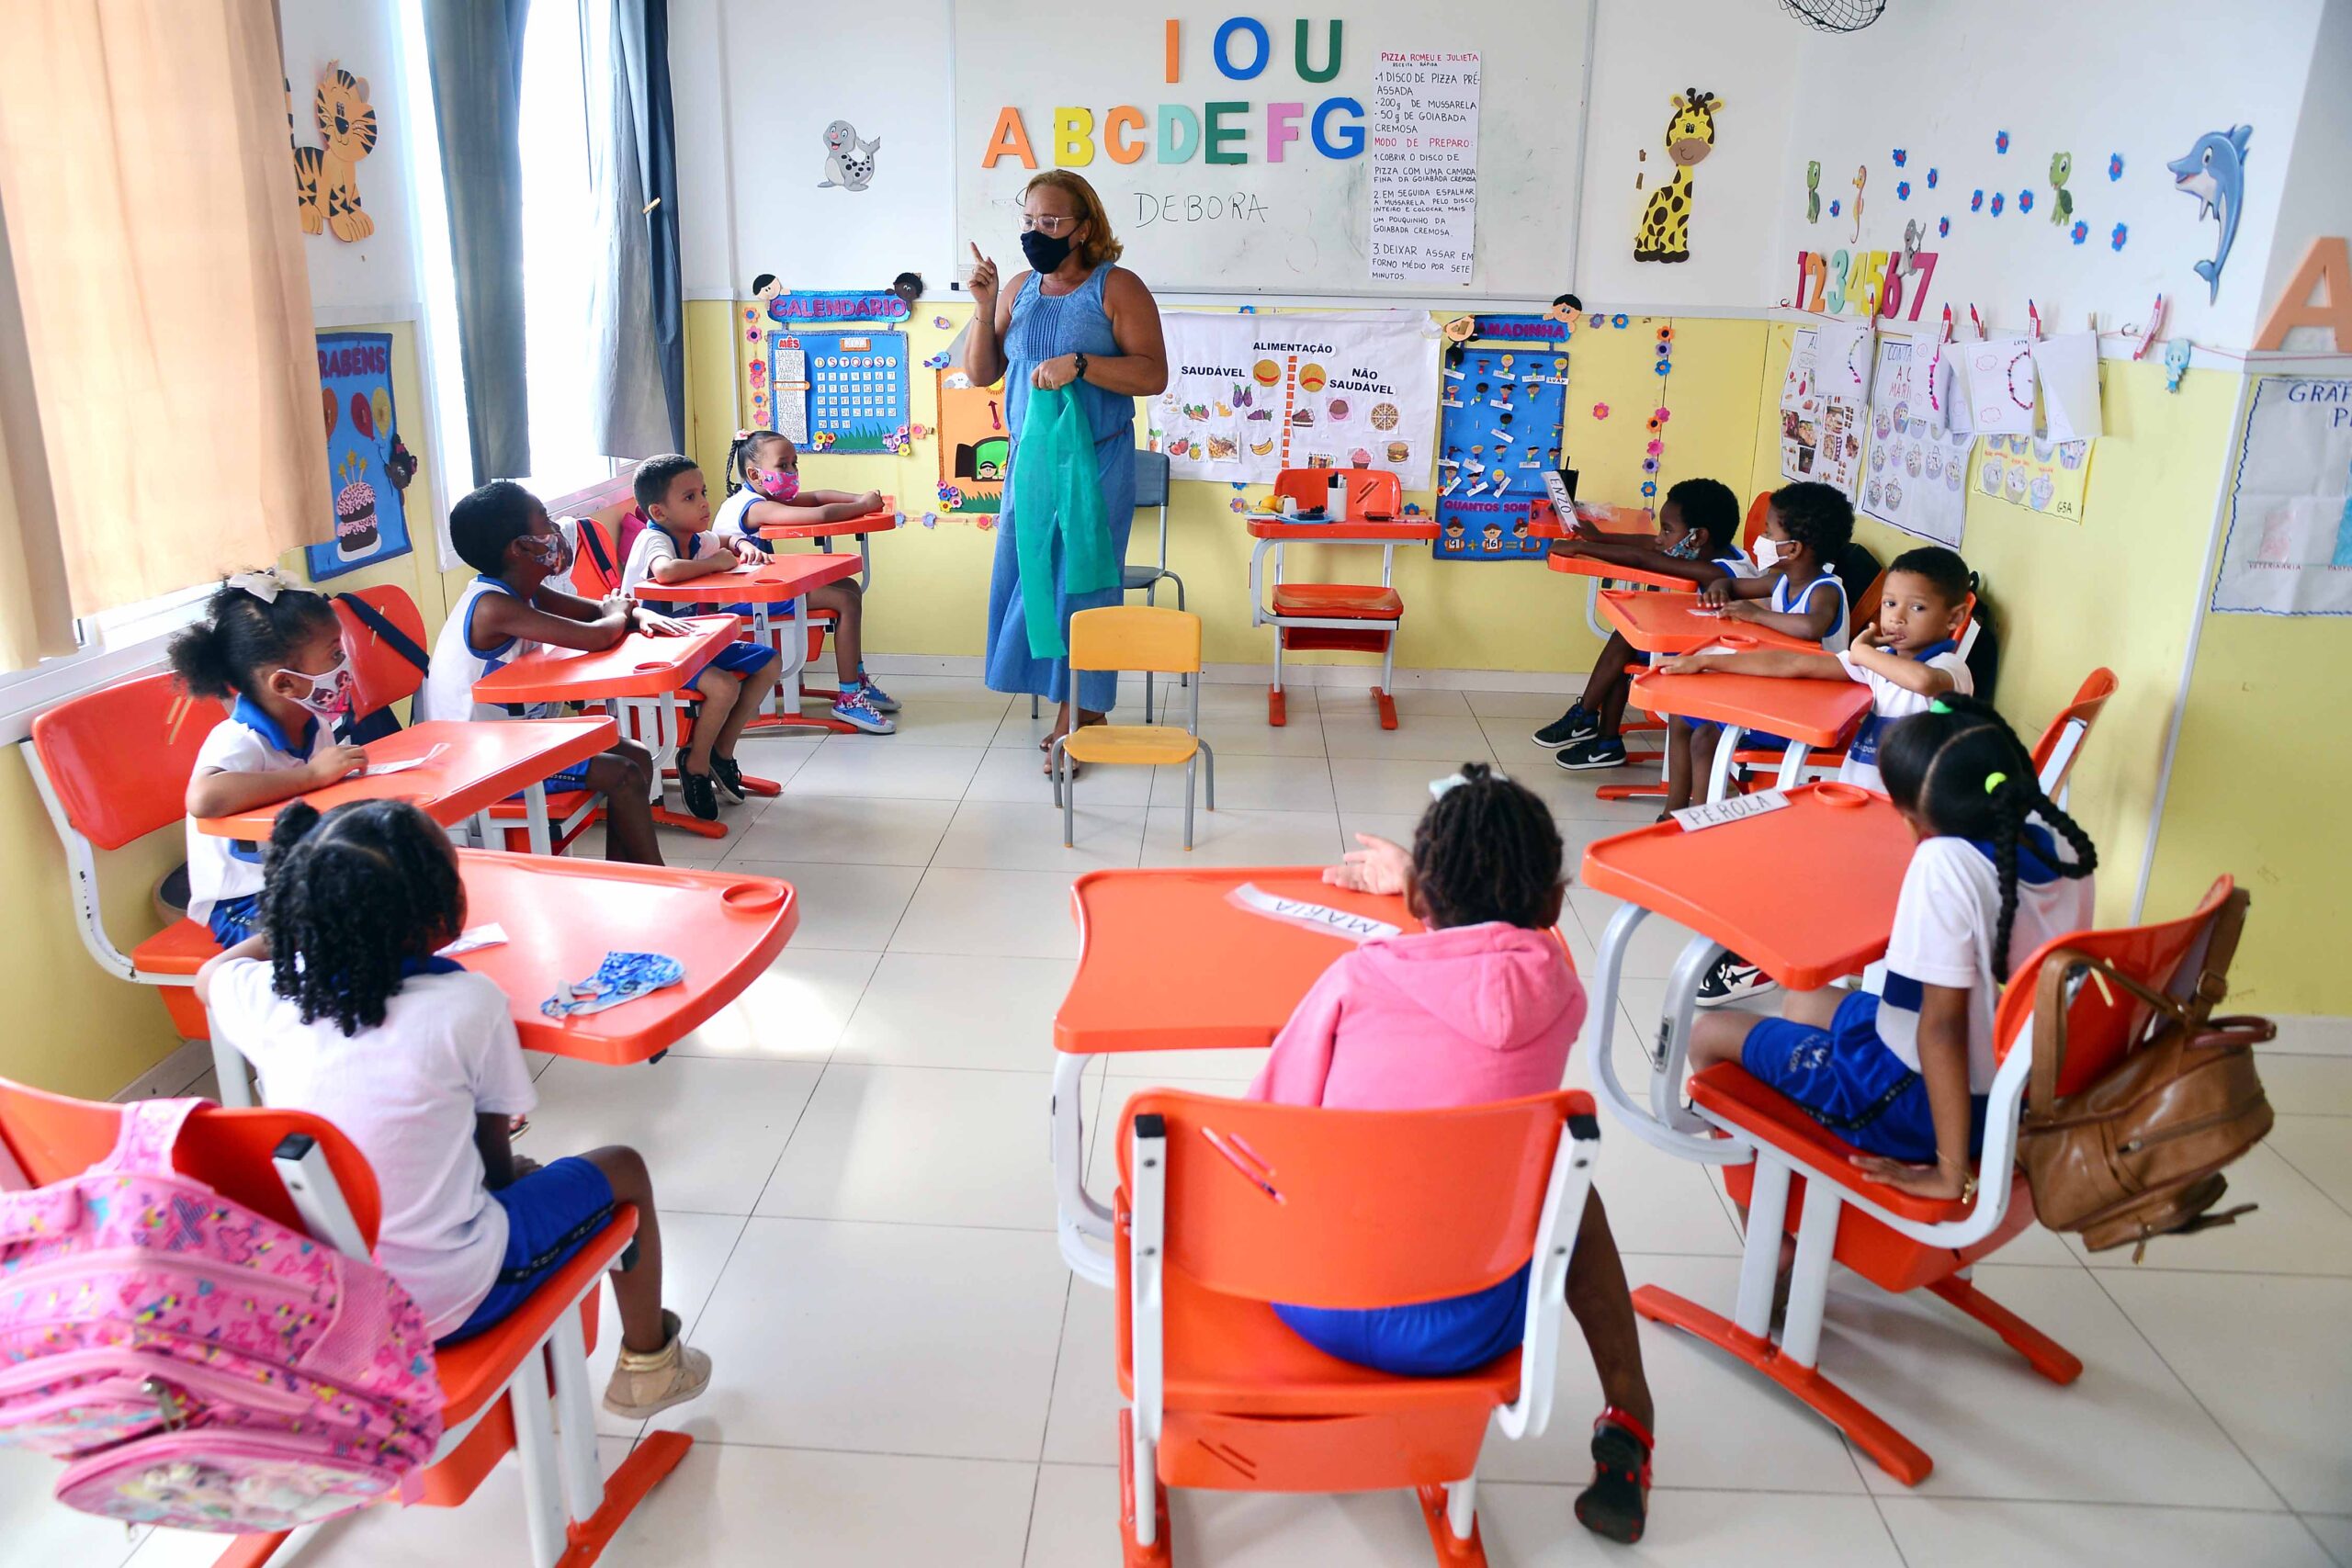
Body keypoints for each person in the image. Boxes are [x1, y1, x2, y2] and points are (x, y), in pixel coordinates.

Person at [193, 799, 712, 1416]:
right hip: (448, 1297)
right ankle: (651, 1366)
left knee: (511, 1174)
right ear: (442, 918)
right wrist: (504, 1182)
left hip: (325, 1296)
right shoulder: (468, 1001)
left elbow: (212, 974)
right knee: (622, 1166)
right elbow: (492, 1160)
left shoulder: (271, 997)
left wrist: (293, 924)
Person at [1266, 765, 1657, 1545]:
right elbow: (1511, 960)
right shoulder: (1559, 996)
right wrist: (1438, 891)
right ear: (1553, 904)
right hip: (1469, 1327)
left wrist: (1422, 888)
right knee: (1566, 1184)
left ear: (1416, 901)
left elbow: (1267, 1126)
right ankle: (1631, 1413)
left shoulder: (1355, 975)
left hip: (1317, 1303)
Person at [1686, 696, 2096, 1199]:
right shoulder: (2061, 839)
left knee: (1708, 1032)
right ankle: (1806, 1155)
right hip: (2018, 1085)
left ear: (1913, 819)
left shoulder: (1944, 864)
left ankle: (1778, 1236)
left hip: (1921, 1101)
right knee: (1803, 1000)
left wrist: (1951, 1172)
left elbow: (1941, 1027)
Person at [964, 169, 1169, 774]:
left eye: (1051, 222)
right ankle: (1078, 705)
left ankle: (1076, 715)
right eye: (1028, 220)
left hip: (1096, 462)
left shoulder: (1117, 287)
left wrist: (1082, 364)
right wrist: (982, 307)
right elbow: (982, 374)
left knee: (1081, 586)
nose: (1036, 231)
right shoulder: (1020, 288)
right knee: (1028, 581)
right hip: (1030, 467)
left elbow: (1152, 375)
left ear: (1084, 228)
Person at [416, 479, 676, 860]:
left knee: (634, 756)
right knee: (622, 773)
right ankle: (655, 879)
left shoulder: (526, 590)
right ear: (520, 547)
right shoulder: (493, 607)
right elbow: (598, 634)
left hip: (518, 741)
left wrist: (632, 611)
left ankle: (629, 874)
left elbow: (597, 612)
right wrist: (619, 612)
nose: (557, 531)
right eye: (546, 523)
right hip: (479, 763)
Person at [1655, 545, 1975, 793]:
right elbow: (1793, 662)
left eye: (1917, 607)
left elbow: (1924, 681)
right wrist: (1707, 661)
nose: (1898, 617)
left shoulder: (1949, 667)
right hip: (1861, 793)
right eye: (1890, 604)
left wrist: (1862, 652)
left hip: (1915, 808)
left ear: (1955, 618)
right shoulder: (1880, 661)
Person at [169, 572, 366, 946]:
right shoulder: (238, 739)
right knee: (346, 937)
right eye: (335, 655)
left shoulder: (311, 722)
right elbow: (203, 798)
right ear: (285, 684)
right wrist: (311, 776)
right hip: (244, 902)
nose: (346, 664)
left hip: (304, 881)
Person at [620, 453, 816, 813]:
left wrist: (741, 545)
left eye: (704, 492)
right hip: (652, 646)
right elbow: (665, 572)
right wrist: (715, 563)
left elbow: (724, 540)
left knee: (768, 663)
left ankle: (720, 752)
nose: (704, 503)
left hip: (692, 638)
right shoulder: (655, 539)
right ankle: (694, 764)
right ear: (659, 512)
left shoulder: (695, 538)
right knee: (723, 686)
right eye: (689, 497)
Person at [1659, 479, 1856, 823]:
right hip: (1774, 692)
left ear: (1793, 549)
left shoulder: (1825, 590)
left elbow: (1811, 627)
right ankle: (1672, 814)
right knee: (1681, 712)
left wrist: (1757, 614)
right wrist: (1720, 588)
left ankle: (1699, 825)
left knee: (1706, 734)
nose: (1760, 541)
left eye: (1768, 532)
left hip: (1807, 712)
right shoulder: (1780, 578)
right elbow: (1732, 584)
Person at [1535, 478, 1750, 771]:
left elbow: (1643, 558)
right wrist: (1599, 538)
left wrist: (1579, 548)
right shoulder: (1723, 551)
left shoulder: (1714, 570)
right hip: (1704, 644)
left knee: (1628, 637)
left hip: (1713, 661)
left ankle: (1588, 719)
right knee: (1628, 635)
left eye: (1667, 529)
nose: (1660, 537)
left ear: (1697, 537)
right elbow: (1650, 545)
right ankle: (1599, 734)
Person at [711, 428, 898, 729]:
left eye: (794, 464)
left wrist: (864, 499)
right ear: (754, 474)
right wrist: (861, 507)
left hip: (759, 590)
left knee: (849, 587)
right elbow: (820, 515)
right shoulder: (755, 506)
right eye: (782, 466)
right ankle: (849, 696)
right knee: (844, 600)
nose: (792, 471)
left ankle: (857, 680)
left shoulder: (757, 495)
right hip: (744, 600)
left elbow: (816, 497)